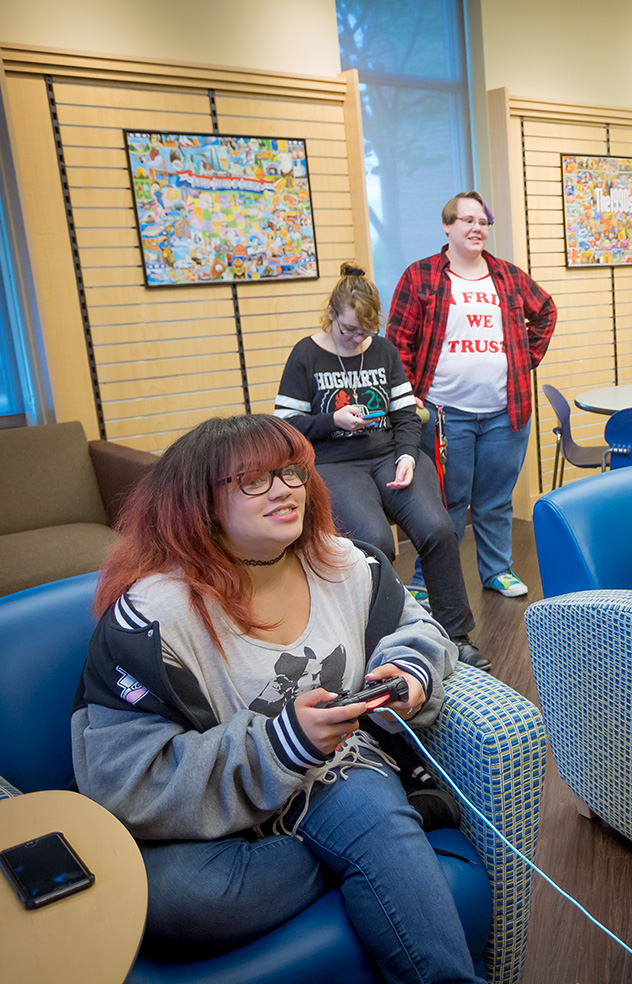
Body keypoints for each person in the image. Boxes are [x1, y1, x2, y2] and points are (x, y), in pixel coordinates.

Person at [71, 414, 485, 983]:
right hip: (217, 827)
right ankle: (390, 831)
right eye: (253, 480)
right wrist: (279, 745)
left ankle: (380, 829)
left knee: (361, 799)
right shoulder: (150, 620)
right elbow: (124, 780)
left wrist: (410, 673)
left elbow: (421, 630)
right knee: (175, 899)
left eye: (290, 471)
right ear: (200, 504)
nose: (285, 489)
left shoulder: (347, 561)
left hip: (336, 782)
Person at [274, 262, 490, 671]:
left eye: (365, 332)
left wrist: (408, 454)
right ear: (332, 315)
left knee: (438, 530)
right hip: (337, 463)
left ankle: (456, 635)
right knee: (376, 543)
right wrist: (331, 421)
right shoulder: (306, 354)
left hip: (391, 454)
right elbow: (284, 425)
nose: (358, 339)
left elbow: (407, 413)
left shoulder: (382, 349)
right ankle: (389, 643)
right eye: (349, 330)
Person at [388, 191, 557, 599]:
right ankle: (427, 583)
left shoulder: (508, 277)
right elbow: (397, 341)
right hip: (446, 415)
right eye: (466, 220)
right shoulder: (421, 276)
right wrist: (409, 395)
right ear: (447, 227)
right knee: (445, 503)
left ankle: (497, 570)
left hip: (506, 412)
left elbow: (546, 311)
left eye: (482, 222)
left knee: (495, 501)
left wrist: (523, 360)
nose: (476, 228)